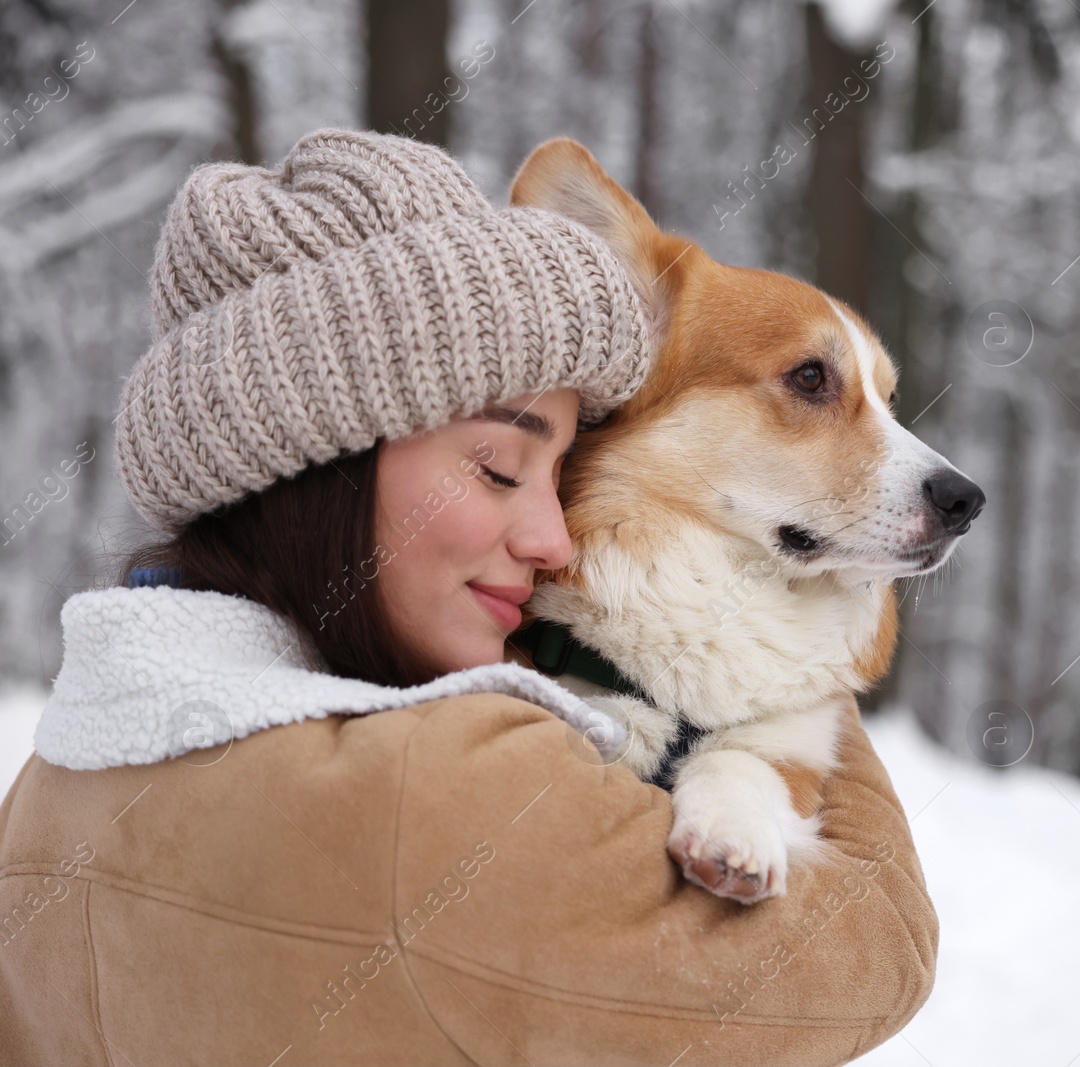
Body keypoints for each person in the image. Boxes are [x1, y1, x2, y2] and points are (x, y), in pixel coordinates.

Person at [0, 129, 937, 1066]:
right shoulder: (443, 790)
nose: (554, 536)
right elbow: (873, 937)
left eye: (559, 471)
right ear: (319, 468)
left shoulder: (47, 789)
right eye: (497, 469)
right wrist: (796, 644)